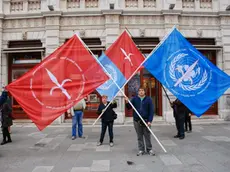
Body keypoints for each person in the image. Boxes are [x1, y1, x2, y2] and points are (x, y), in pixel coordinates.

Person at [125, 87, 155, 156]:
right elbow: (129, 107)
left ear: (145, 92)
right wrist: (127, 101)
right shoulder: (135, 99)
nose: (141, 92)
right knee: (139, 136)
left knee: (147, 135)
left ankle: (149, 149)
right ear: (138, 92)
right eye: (139, 90)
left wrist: (150, 121)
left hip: (146, 121)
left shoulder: (148, 99)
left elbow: (151, 111)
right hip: (137, 121)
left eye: (142, 90)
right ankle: (141, 149)